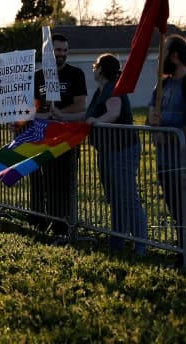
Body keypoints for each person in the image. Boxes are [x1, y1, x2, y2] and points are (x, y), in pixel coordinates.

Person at [54, 53, 147, 255]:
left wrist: (96, 122)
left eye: (95, 66)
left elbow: (113, 112)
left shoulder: (113, 88)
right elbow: (88, 114)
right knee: (115, 198)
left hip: (122, 150)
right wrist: (62, 116)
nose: (93, 69)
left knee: (128, 197)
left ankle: (141, 246)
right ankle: (118, 242)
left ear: (101, 70)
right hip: (107, 149)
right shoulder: (100, 91)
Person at [147, 34, 186, 268]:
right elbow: (150, 118)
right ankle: (183, 251)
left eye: (163, 52)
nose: (158, 58)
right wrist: (152, 123)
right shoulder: (161, 85)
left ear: (174, 55)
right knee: (175, 209)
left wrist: (169, 135)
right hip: (165, 160)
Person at [30, 33, 88, 238]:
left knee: (64, 184)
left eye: (64, 50)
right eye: (57, 50)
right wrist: (37, 116)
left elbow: (80, 104)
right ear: (48, 52)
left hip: (67, 138)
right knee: (43, 183)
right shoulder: (38, 76)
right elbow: (34, 106)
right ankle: (43, 221)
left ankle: (64, 225)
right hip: (42, 137)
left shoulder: (76, 74)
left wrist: (61, 114)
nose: (61, 54)